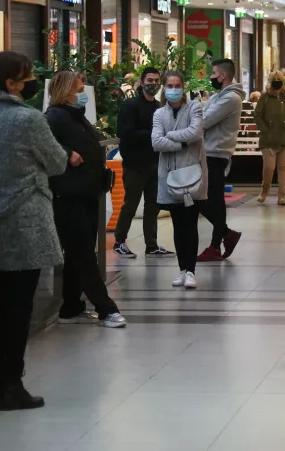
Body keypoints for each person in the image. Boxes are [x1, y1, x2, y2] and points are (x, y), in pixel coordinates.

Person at [0, 51, 67, 411]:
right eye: (27, 77)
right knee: (19, 308)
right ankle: (12, 385)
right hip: (26, 220)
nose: (31, 83)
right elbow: (57, 162)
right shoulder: (29, 119)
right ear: (12, 83)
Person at [45, 71, 128, 328]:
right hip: (68, 197)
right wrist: (66, 153)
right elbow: (42, 146)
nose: (83, 93)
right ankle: (106, 308)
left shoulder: (77, 117)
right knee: (83, 254)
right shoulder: (54, 118)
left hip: (87, 193)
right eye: (79, 89)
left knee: (77, 254)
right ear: (65, 91)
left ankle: (71, 306)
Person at [152, 71, 208, 289]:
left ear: (183, 87)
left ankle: (191, 270)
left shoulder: (194, 107)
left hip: (191, 175)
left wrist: (171, 137)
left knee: (190, 223)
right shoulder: (159, 114)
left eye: (177, 85)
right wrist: (182, 142)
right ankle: (182, 269)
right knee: (177, 225)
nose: (174, 89)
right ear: (164, 89)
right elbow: (156, 142)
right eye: (170, 85)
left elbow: (196, 132)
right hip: (169, 177)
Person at [114, 67, 173, 258]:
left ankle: (152, 245)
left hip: (155, 164)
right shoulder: (130, 106)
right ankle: (119, 241)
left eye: (156, 80)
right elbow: (125, 134)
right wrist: (154, 135)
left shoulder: (159, 107)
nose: (153, 84)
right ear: (141, 81)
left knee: (152, 207)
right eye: (150, 80)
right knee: (130, 204)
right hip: (134, 165)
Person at [196, 58, 245, 262]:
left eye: (214, 73)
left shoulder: (230, 98)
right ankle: (222, 237)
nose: (211, 76)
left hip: (216, 154)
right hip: (208, 152)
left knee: (206, 199)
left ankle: (219, 241)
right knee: (209, 199)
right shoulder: (219, 96)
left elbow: (204, 120)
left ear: (223, 76)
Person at [254, 70, 285, 205]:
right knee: (269, 167)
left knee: (283, 167)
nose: (276, 81)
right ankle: (264, 191)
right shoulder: (265, 96)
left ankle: (282, 196)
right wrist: (264, 129)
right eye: (274, 79)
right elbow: (257, 115)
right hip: (268, 139)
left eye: (278, 79)